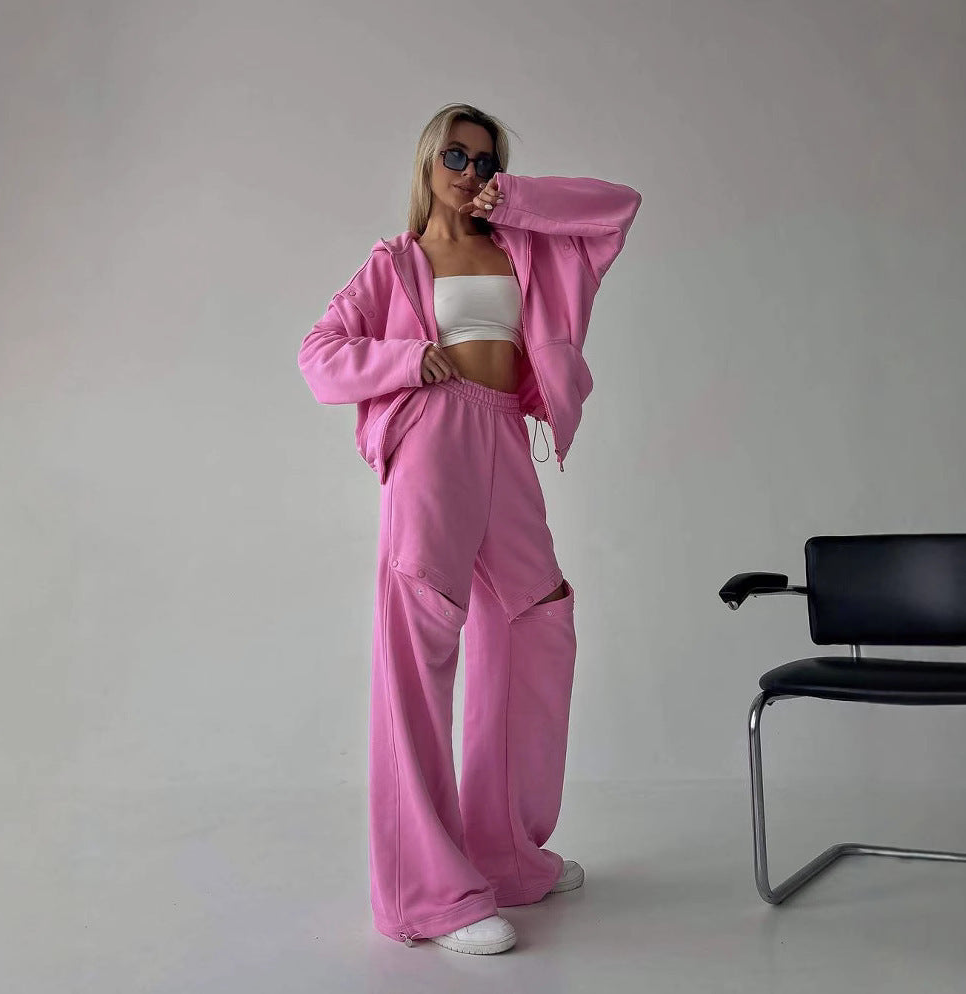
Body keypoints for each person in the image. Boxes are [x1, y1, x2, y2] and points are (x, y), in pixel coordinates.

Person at [298, 103, 641, 954]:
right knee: (420, 642)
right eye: (455, 155)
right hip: (434, 439)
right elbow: (319, 353)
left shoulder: (524, 244)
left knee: (537, 619)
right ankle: (425, 894)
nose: (470, 172)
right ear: (427, 163)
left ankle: (506, 854)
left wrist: (517, 200)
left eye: (486, 161)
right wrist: (404, 359)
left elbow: (616, 208)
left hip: (504, 438)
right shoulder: (396, 262)